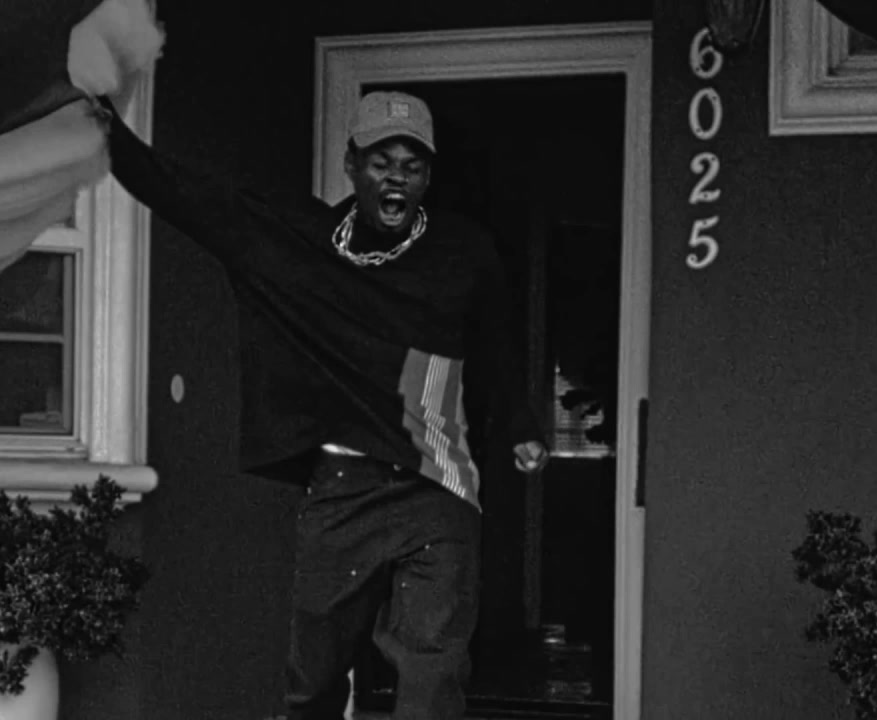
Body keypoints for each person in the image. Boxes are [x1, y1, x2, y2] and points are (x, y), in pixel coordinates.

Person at [98, 89, 548, 720]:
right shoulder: (300, 244)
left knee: (433, 678)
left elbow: (495, 343)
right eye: (381, 162)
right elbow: (189, 199)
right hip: (342, 489)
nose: (397, 178)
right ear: (351, 164)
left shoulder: (462, 252)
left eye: (412, 166)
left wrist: (522, 422)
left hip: (436, 485)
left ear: (428, 177)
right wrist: (110, 134)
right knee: (312, 683)